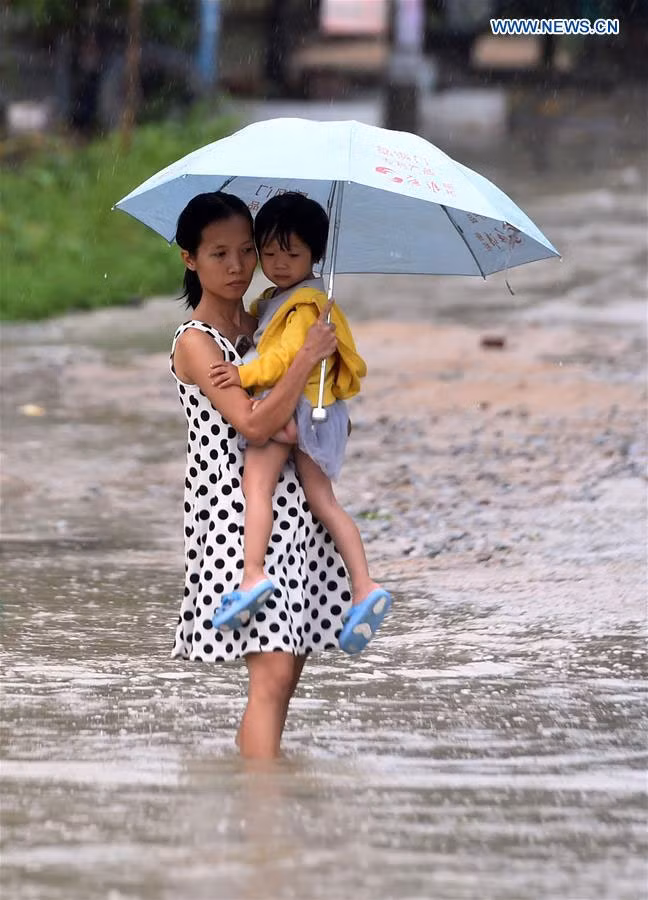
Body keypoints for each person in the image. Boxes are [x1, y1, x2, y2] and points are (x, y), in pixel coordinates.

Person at [170, 191, 344, 760]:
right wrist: (304, 360)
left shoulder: (272, 318)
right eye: (219, 253)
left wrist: (319, 355)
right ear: (189, 259)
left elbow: (311, 404)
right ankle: (265, 834)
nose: (238, 266)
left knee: (286, 677)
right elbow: (255, 421)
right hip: (236, 511)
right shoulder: (197, 344)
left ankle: (257, 798)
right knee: (269, 677)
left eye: (247, 250)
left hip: (295, 509)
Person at [209, 192, 392, 655]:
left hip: (295, 409)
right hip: (313, 410)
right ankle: (364, 586)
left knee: (258, 487)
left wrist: (241, 374)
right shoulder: (277, 299)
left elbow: (283, 356)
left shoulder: (306, 306)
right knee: (324, 502)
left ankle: (253, 575)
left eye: (292, 254)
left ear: (315, 254)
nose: (278, 263)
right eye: (268, 253)